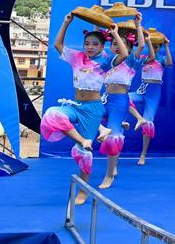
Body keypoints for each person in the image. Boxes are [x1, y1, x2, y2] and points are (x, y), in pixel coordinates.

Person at [40, 13, 119, 205]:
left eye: (95, 44)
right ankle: (82, 139)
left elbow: (123, 54)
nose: (90, 47)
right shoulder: (77, 57)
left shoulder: (104, 62)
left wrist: (115, 34)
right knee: (51, 114)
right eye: (87, 43)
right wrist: (66, 22)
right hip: (76, 105)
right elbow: (58, 45)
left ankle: (83, 192)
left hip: (92, 110)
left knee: (85, 154)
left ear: (102, 47)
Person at [97, 14, 146, 189]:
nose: (117, 47)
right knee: (86, 115)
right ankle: (120, 124)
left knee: (113, 137)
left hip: (119, 102)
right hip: (104, 98)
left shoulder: (130, 60)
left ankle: (109, 174)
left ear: (129, 48)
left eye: (121, 44)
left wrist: (138, 25)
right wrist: (97, 26)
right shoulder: (108, 61)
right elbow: (98, 46)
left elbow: (141, 45)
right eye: (114, 44)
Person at [125, 33, 172, 165]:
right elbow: (133, 61)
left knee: (148, 123)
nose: (154, 48)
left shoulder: (161, 59)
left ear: (160, 47)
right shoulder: (144, 58)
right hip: (142, 90)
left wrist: (166, 46)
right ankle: (132, 119)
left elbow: (169, 63)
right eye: (153, 46)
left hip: (153, 93)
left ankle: (143, 154)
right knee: (122, 97)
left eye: (157, 46)